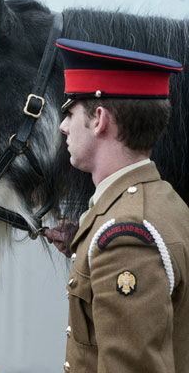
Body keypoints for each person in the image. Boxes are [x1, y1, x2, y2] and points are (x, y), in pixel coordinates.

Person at [54, 38, 189, 373]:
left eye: (70, 112)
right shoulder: (164, 200)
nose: (63, 126)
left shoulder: (125, 235)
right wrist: (81, 244)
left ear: (99, 119)